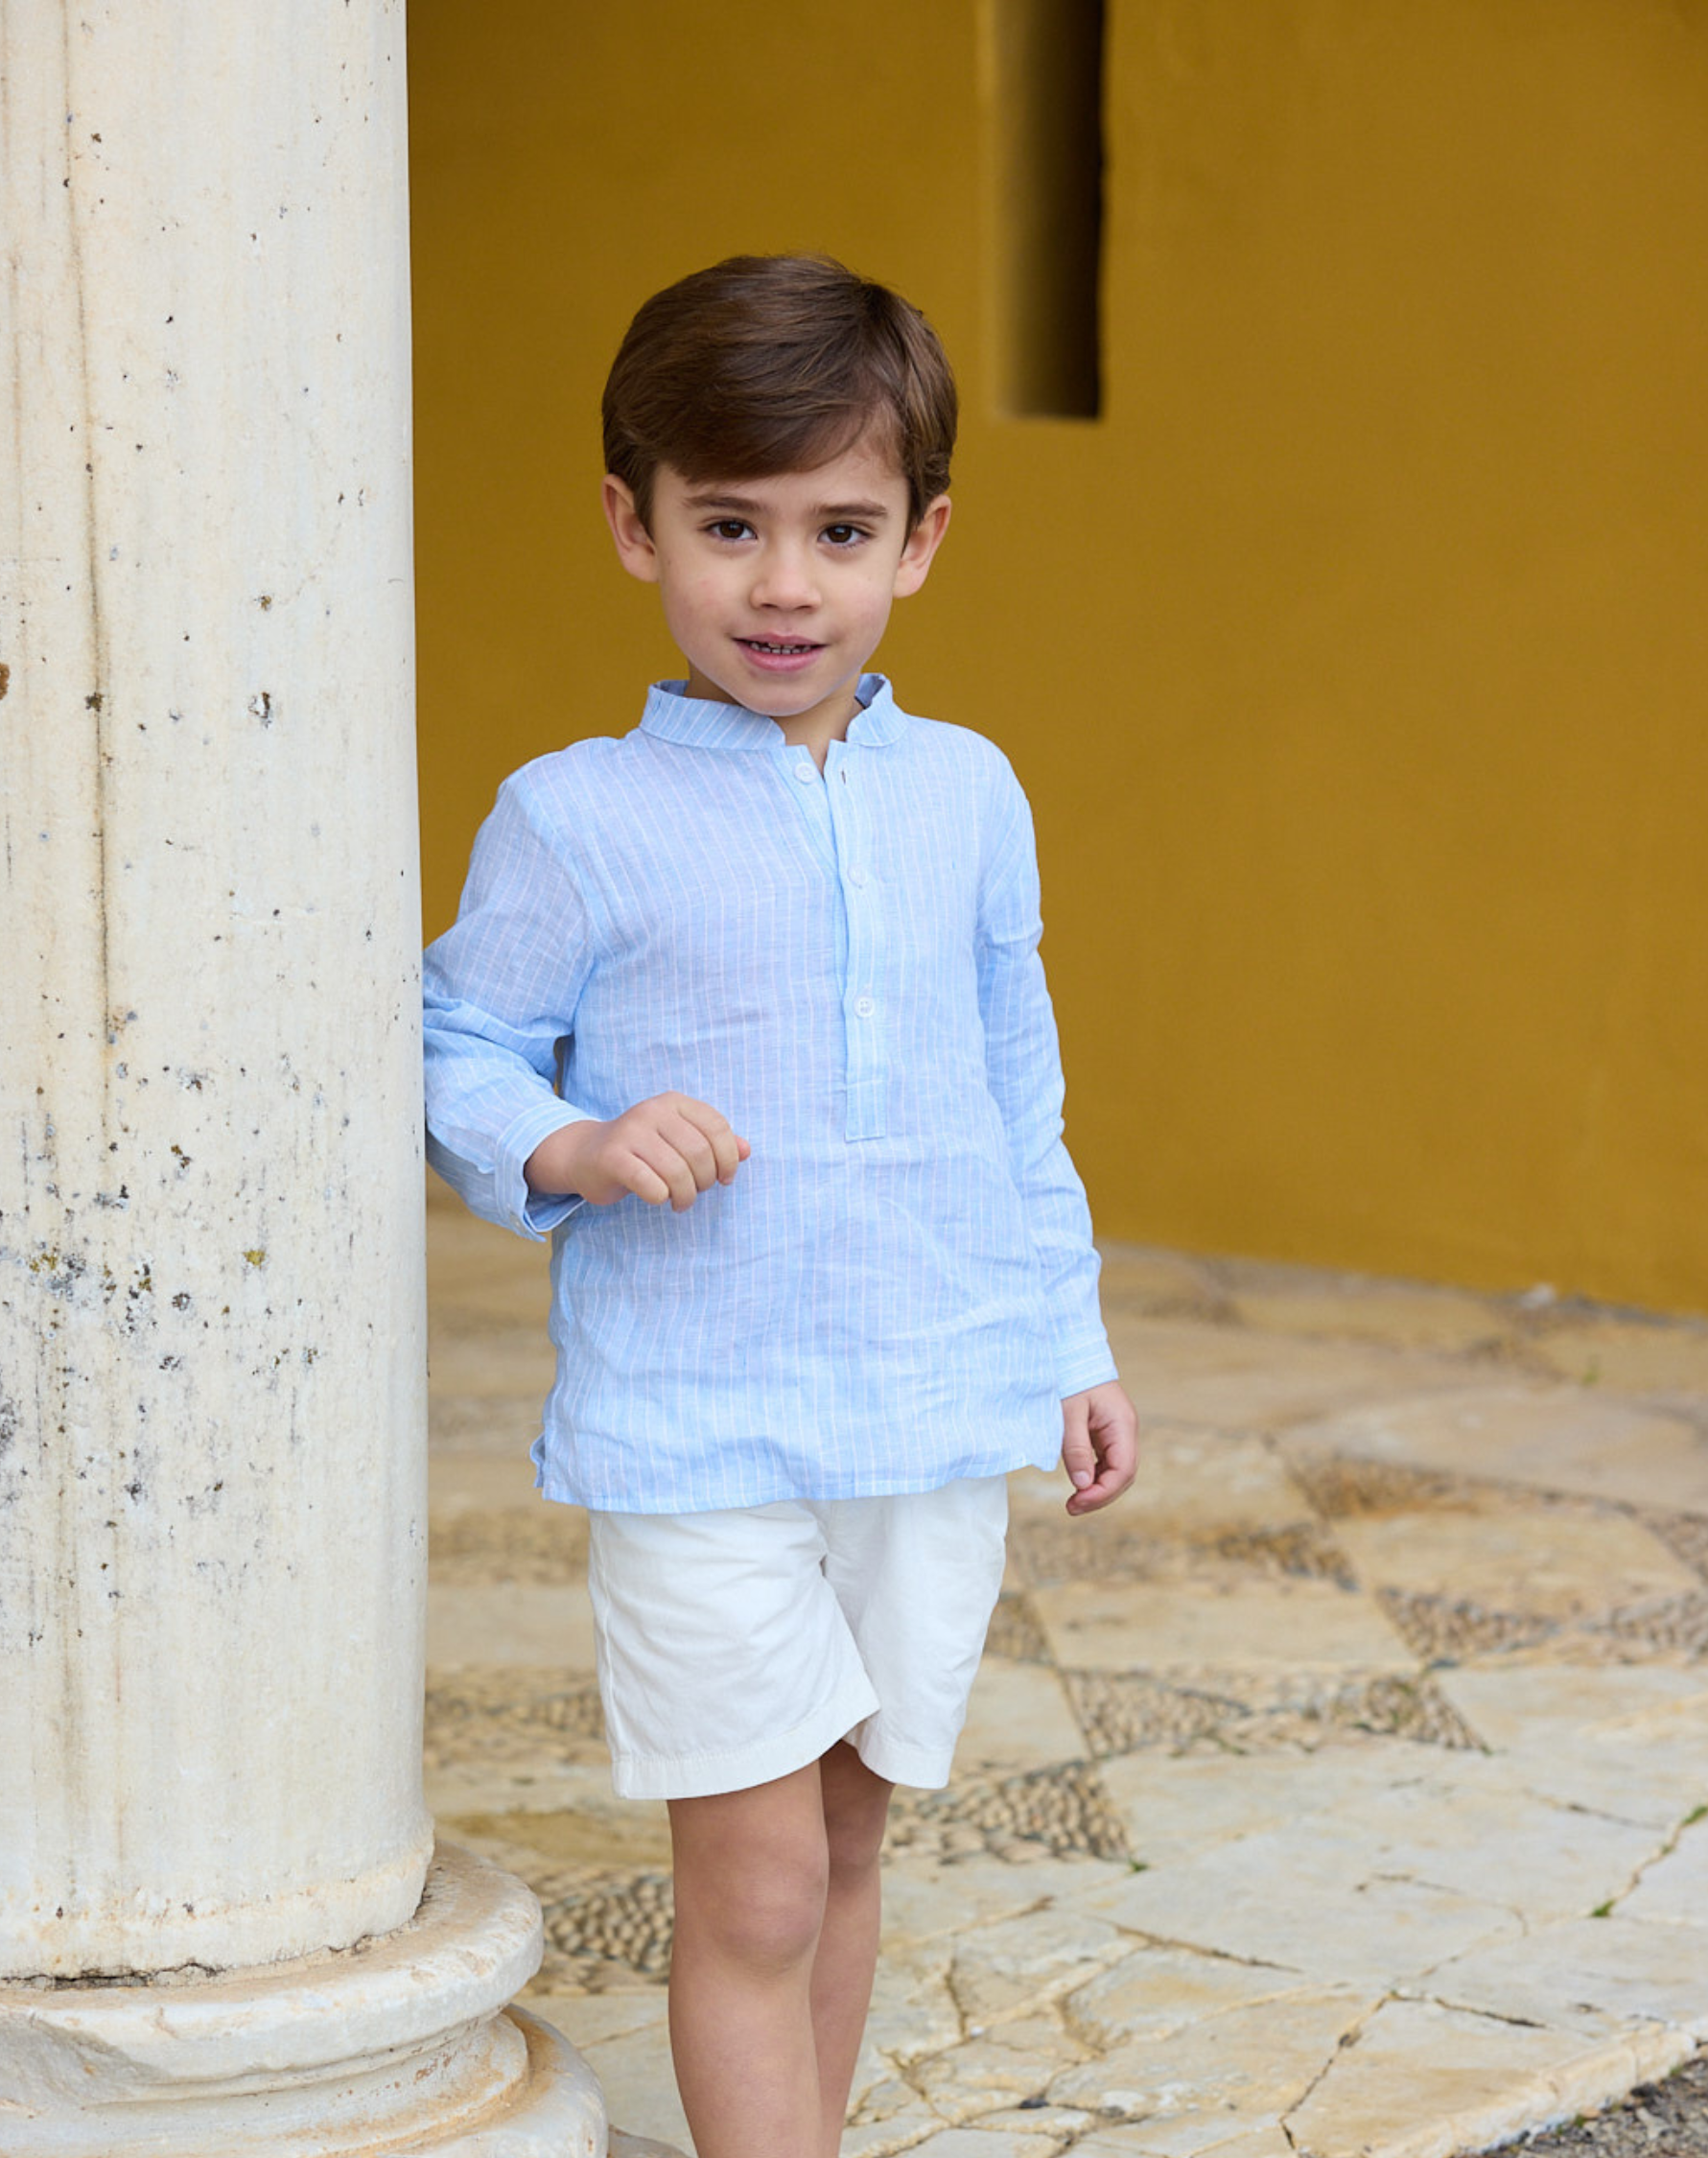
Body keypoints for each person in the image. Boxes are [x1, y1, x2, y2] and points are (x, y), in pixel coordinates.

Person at [422, 253, 1137, 2158]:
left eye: (841, 527)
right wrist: (569, 1145)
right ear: (631, 524)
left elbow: (1018, 1089)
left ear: (921, 542)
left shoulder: (972, 797)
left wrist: (1067, 1340)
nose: (784, 582)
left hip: (926, 1422)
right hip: (696, 1430)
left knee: (839, 1847)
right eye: (728, 525)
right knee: (746, 1886)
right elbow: (455, 1044)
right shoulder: (573, 816)